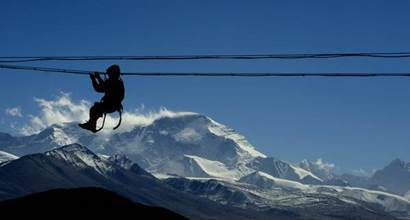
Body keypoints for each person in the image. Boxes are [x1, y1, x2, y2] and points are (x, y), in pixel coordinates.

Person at [79, 64, 125, 132]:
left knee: (96, 109)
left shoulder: (117, 83)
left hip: (112, 105)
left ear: (113, 74)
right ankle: (91, 124)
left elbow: (104, 87)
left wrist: (96, 78)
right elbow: (100, 87)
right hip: (110, 105)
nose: (108, 76)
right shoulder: (113, 82)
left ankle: (91, 125)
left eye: (109, 74)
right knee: (94, 109)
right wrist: (95, 79)